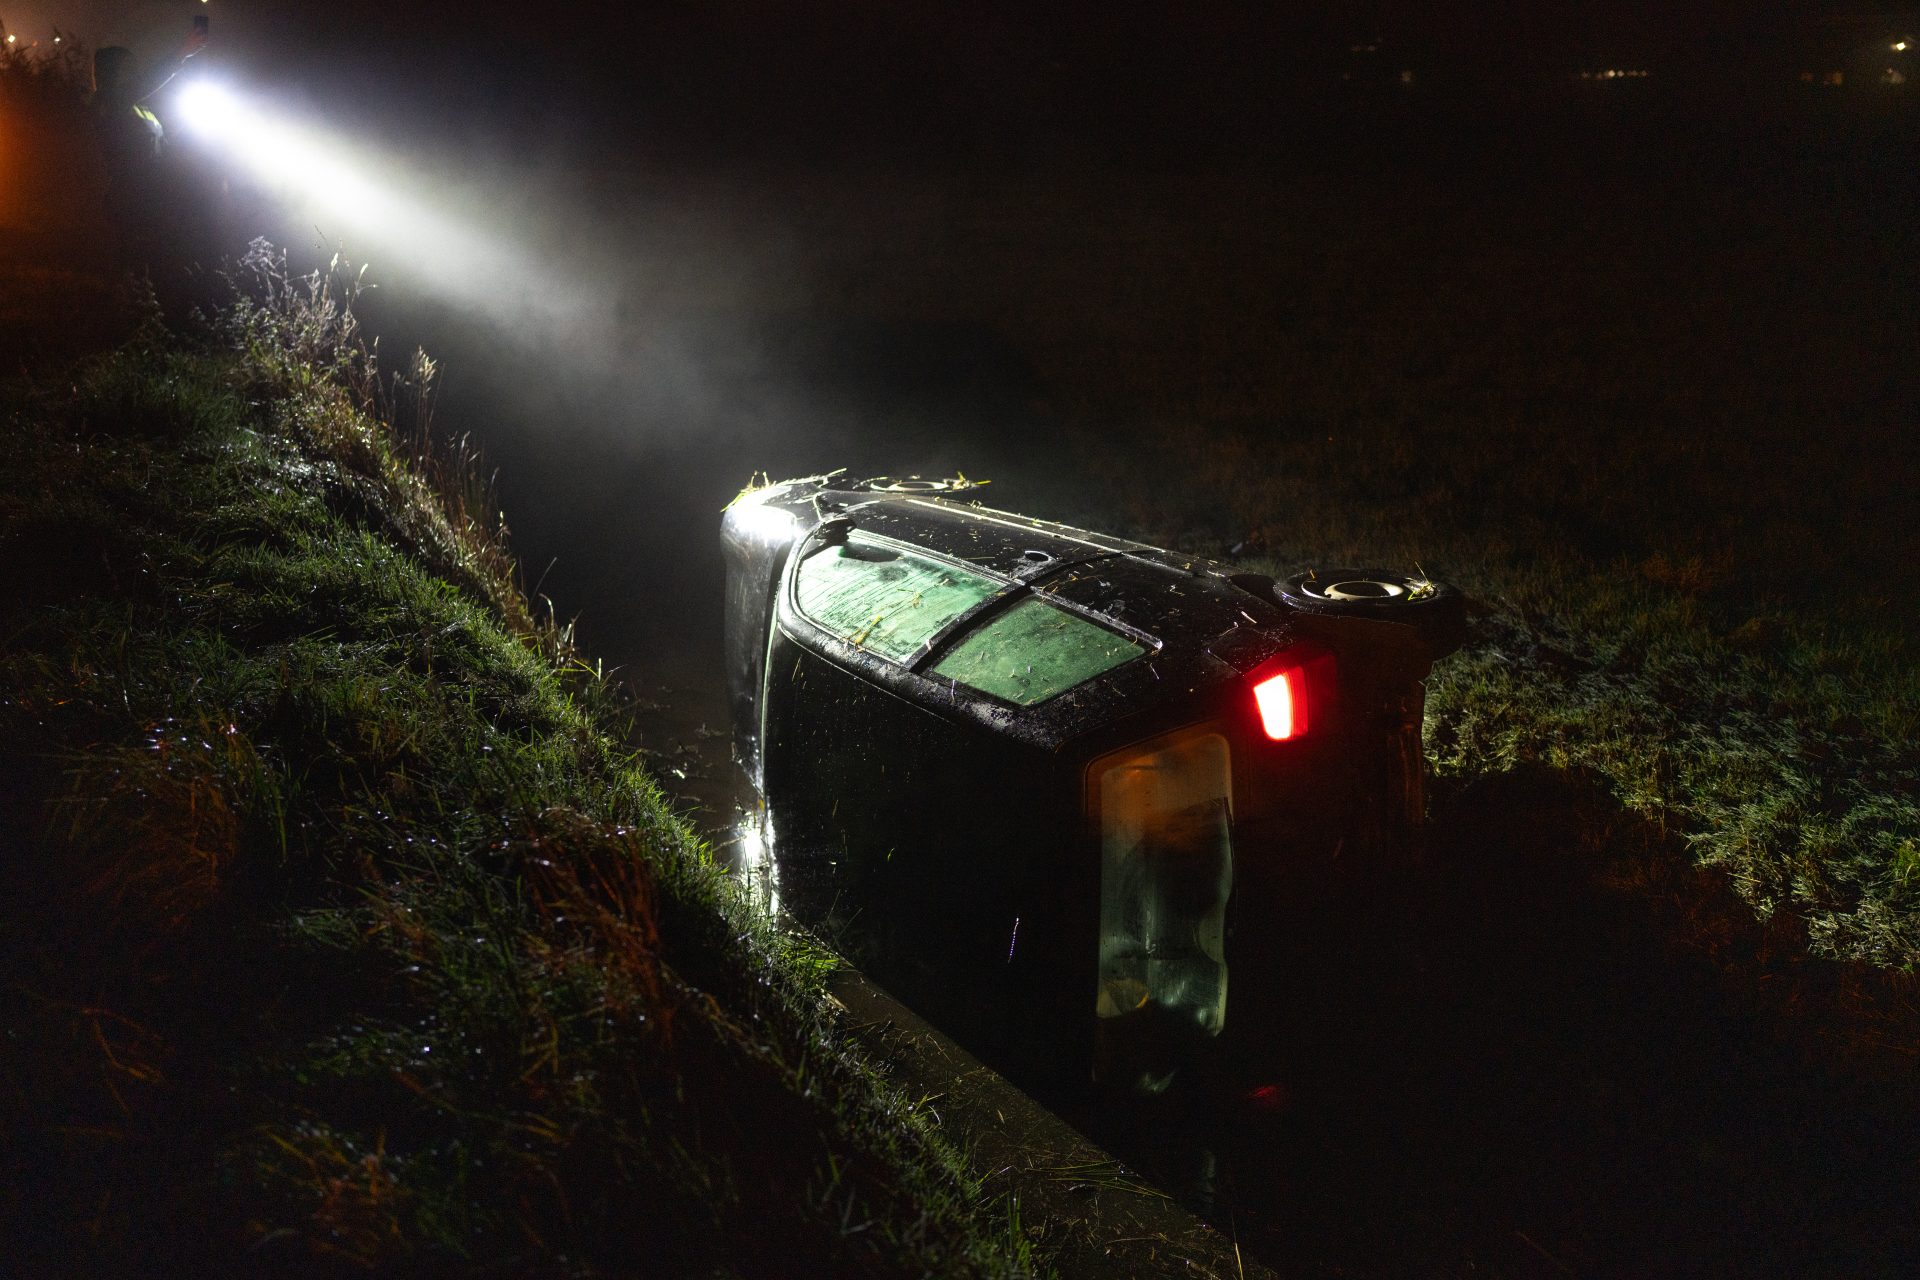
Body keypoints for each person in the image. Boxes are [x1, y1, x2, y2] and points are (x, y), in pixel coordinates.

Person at [90, 22, 208, 272]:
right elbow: (142, 85)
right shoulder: (106, 101)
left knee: (158, 264)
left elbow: (157, 145)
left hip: (154, 196)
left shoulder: (139, 108)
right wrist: (181, 54)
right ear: (112, 72)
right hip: (131, 198)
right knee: (138, 265)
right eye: (128, 67)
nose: (135, 71)